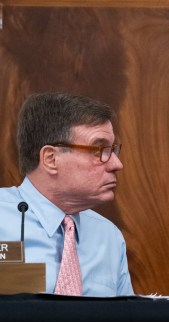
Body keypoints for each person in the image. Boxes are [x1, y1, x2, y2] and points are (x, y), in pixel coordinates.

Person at [0, 92, 134, 296]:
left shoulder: (109, 237)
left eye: (113, 150)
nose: (117, 164)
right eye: (99, 149)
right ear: (51, 159)